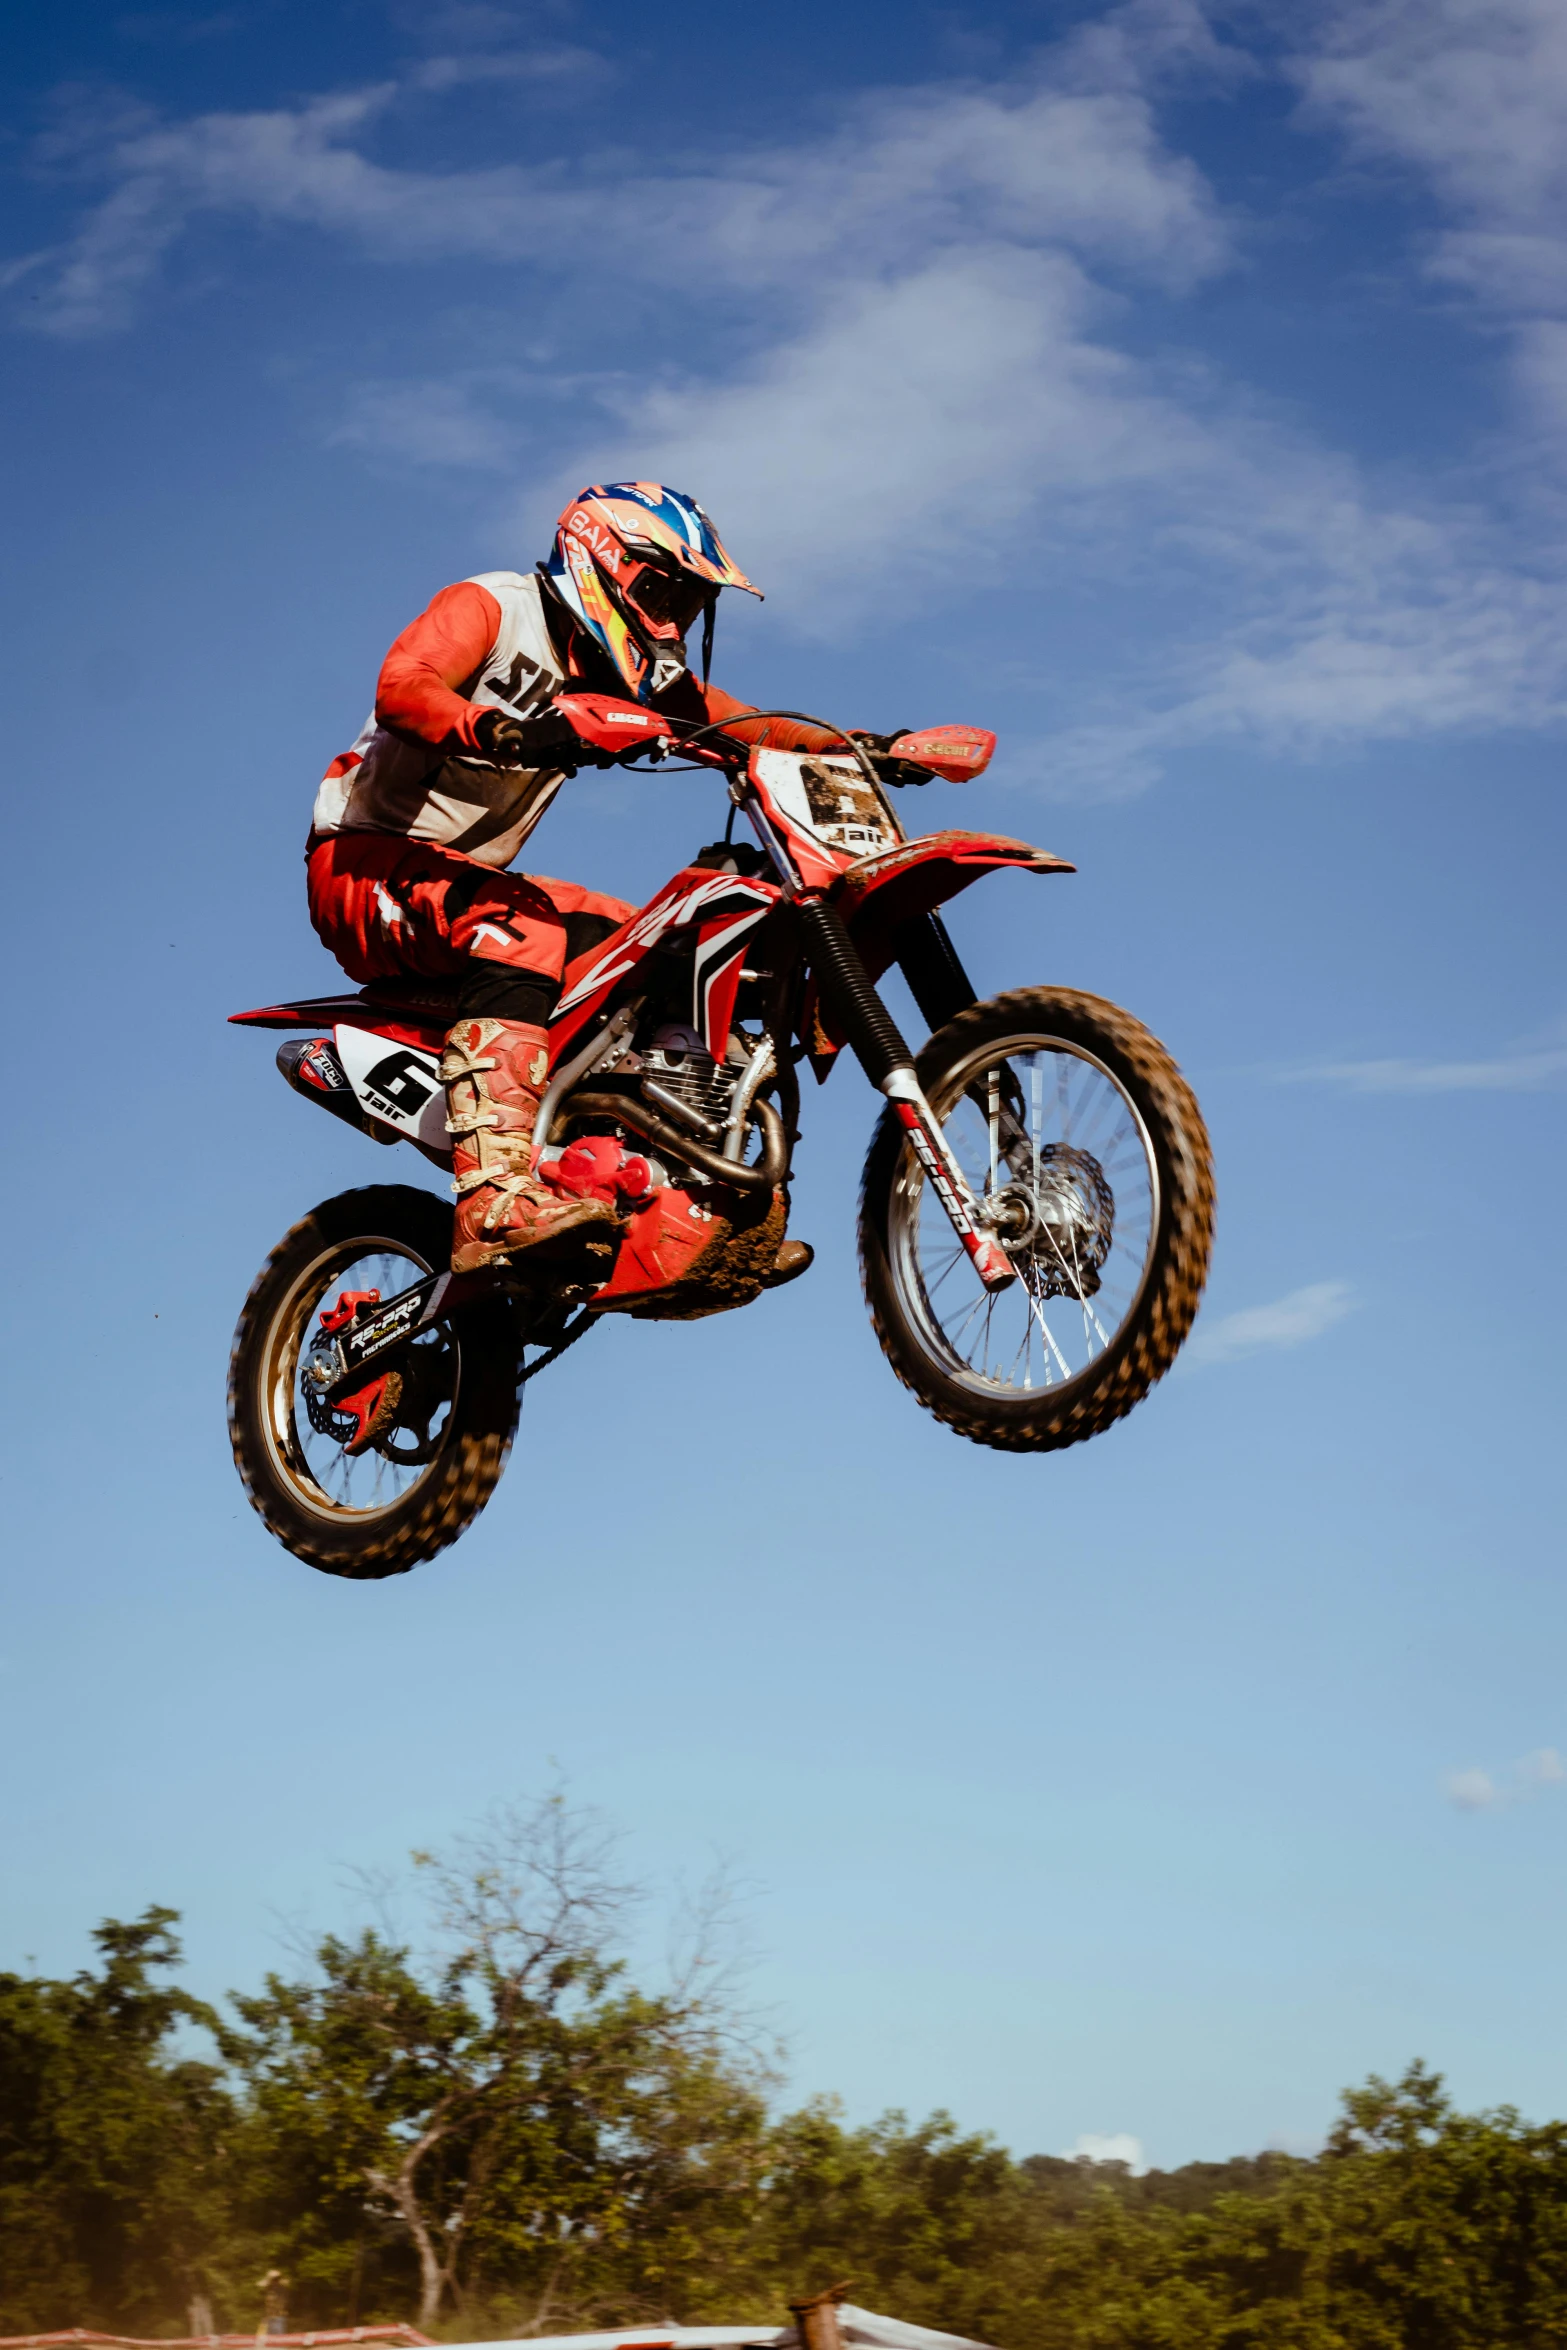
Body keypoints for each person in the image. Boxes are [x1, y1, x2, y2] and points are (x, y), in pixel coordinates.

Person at [307, 482, 850, 1277]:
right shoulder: (494, 605)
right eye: (662, 591)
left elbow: (742, 724)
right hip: (362, 863)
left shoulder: (622, 671)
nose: (672, 620)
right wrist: (497, 727)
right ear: (601, 560)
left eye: (689, 605)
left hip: (468, 882)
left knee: (664, 942)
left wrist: (863, 746)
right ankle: (492, 1200)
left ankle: (667, 1182)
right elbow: (404, 684)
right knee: (521, 928)